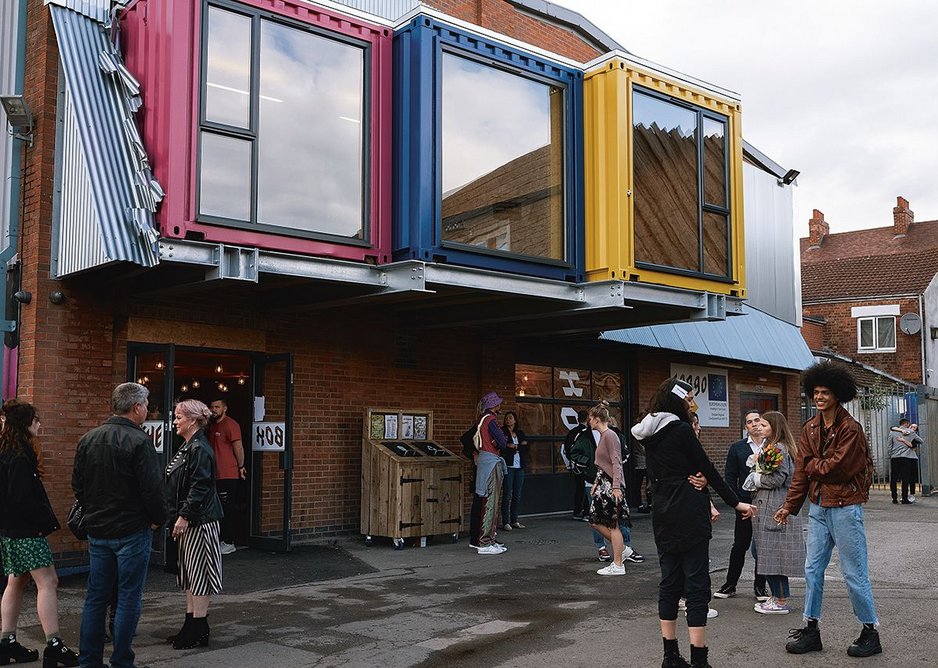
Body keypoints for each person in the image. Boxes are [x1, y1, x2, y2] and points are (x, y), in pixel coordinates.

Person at [631, 378, 755, 668]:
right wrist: (736, 502)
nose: (691, 404)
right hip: (688, 511)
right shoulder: (681, 429)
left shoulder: (648, 433)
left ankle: (670, 656)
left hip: (663, 513)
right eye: (688, 399)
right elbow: (707, 467)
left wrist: (693, 474)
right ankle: (700, 659)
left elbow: (664, 471)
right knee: (697, 585)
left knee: (670, 583)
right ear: (676, 401)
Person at [776, 361, 881, 657]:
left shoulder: (851, 429)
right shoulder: (810, 427)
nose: (819, 397)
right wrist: (789, 506)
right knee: (812, 570)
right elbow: (801, 474)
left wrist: (810, 466)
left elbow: (838, 468)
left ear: (837, 395)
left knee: (854, 573)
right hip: (819, 507)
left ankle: (870, 630)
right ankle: (811, 629)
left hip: (846, 507)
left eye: (825, 392)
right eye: (816, 392)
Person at [72, 382, 166, 668]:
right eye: (146, 405)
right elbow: (153, 489)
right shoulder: (140, 441)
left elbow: (78, 485)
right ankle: (121, 660)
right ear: (136, 407)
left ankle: (89, 660)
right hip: (131, 530)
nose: (148, 410)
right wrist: (157, 520)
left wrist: (94, 511)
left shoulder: (88, 439)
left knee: (96, 597)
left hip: (99, 530)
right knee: (127, 597)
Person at [0, 401, 79, 668]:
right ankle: (54, 644)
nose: (39, 424)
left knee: (16, 581)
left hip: (10, 530)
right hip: (26, 531)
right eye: (35, 419)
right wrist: (43, 521)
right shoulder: (20, 457)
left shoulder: (5, 452)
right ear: (24, 423)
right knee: (49, 582)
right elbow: (22, 499)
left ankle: (6, 641)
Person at [165, 399, 225, 650]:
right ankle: (191, 625)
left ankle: (199, 628)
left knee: (199, 575)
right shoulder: (189, 445)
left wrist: (184, 516)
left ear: (192, 420)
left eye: (179, 416)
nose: (175, 421)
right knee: (190, 575)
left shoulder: (199, 447)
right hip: (190, 521)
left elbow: (200, 486)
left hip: (199, 521)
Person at [748, 412, 805, 615]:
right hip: (770, 507)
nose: (759, 428)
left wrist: (755, 478)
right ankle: (777, 596)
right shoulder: (774, 446)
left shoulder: (778, 447)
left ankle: (780, 599)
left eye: (763, 425)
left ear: (774, 427)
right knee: (765, 553)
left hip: (775, 508)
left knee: (771, 554)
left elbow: (777, 479)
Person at [712, 410, 768, 602]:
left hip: (766, 502)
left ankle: (760, 587)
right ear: (745, 427)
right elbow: (730, 477)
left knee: (763, 545)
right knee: (740, 545)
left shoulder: (773, 446)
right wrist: (737, 502)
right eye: (749, 422)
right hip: (745, 502)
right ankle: (730, 584)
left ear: (763, 423)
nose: (754, 424)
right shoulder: (737, 448)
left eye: (757, 420)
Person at [468, 392, 509, 555]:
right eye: (498, 403)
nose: (500, 406)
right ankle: (485, 542)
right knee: (491, 501)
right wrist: (500, 441)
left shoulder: (481, 418)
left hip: (485, 460)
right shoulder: (491, 420)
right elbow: (503, 443)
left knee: (485, 498)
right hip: (492, 461)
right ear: (493, 405)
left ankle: (487, 539)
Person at [208, 399, 245, 555]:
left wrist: (241, 466)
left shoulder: (231, 425)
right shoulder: (213, 425)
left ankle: (229, 541)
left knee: (227, 508)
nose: (214, 409)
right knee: (217, 509)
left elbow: (238, 447)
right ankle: (220, 539)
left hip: (228, 474)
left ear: (225, 408)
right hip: (215, 474)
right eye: (212, 407)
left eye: (217, 407)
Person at [500, 411, 528, 531]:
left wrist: (515, 446)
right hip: (508, 467)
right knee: (507, 494)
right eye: (507, 418)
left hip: (519, 467)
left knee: (517, 494)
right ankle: (505, 521)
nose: (508, 420)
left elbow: (526, 447)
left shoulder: (520, 433)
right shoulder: (502, 432)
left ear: (515, 420)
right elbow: (504, 447)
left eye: (510, 418)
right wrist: (514, 446)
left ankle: (514, 519)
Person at [562, 411, 592, 520]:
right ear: (588, 419)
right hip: (585, 465)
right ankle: (586, 512)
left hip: (576, 465)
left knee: (579, 488)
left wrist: (572, 462)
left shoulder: (572, 432)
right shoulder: (586, 433)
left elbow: (567, 449)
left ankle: (577, 510)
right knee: (587, 487)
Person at [889, 419, 922, 504]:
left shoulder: (892, 433)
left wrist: (891, 455)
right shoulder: (911, 432)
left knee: (894, 478)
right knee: (905, 478)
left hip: (894, 457)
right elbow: (921, 441)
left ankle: (894, 498)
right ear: (907, 424)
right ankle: (904, 498)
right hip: (906, 457)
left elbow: (889, 446)